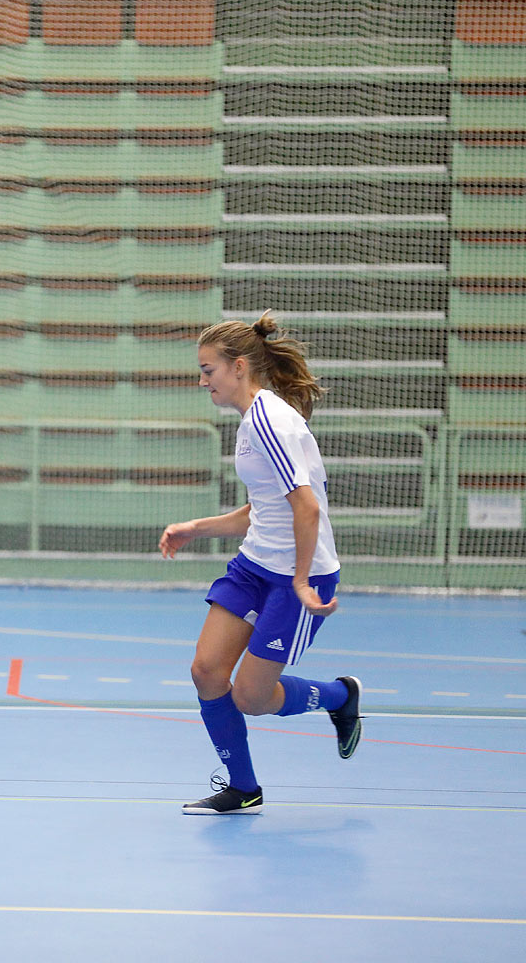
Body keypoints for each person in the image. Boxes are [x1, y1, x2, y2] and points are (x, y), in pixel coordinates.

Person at [159, 312, 361, 814]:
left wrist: (298, 581)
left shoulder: (271, 421)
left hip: (300, 578)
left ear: (239, 367)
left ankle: (339, 696)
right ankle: (243, 788)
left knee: (251, 695)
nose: (202, 379)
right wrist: (195, 528)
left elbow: (307, 507)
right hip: (253, 566)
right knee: (207, 671)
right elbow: (262, 510)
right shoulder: (250, 423)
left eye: (209, 370)